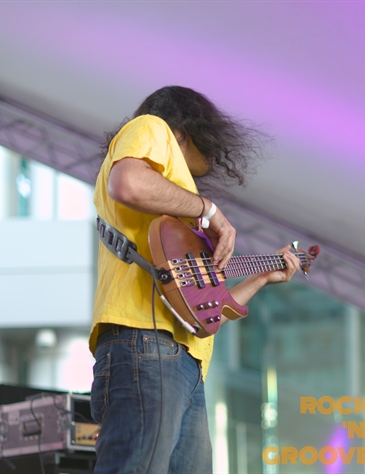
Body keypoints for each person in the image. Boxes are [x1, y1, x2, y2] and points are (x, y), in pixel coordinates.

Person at [89, 86, 300, 474]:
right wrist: (208, 210)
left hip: (180, 358)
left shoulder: (172, 219)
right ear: (185, 129)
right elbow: (129, 183)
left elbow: (208, 307)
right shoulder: (152, 127)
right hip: (146, 343)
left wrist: (264, 276)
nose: (214, 155)